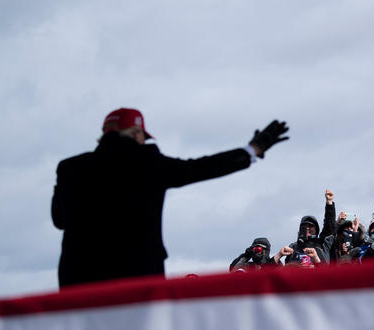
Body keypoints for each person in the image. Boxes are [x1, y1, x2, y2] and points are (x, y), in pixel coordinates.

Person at [51, 108, 289, 287]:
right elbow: (202, 167)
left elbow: (59, 220)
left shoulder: (69, 168)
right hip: (137, 279)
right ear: (135, 134)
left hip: (78, 280)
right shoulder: (147, 163)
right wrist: (252, 151)